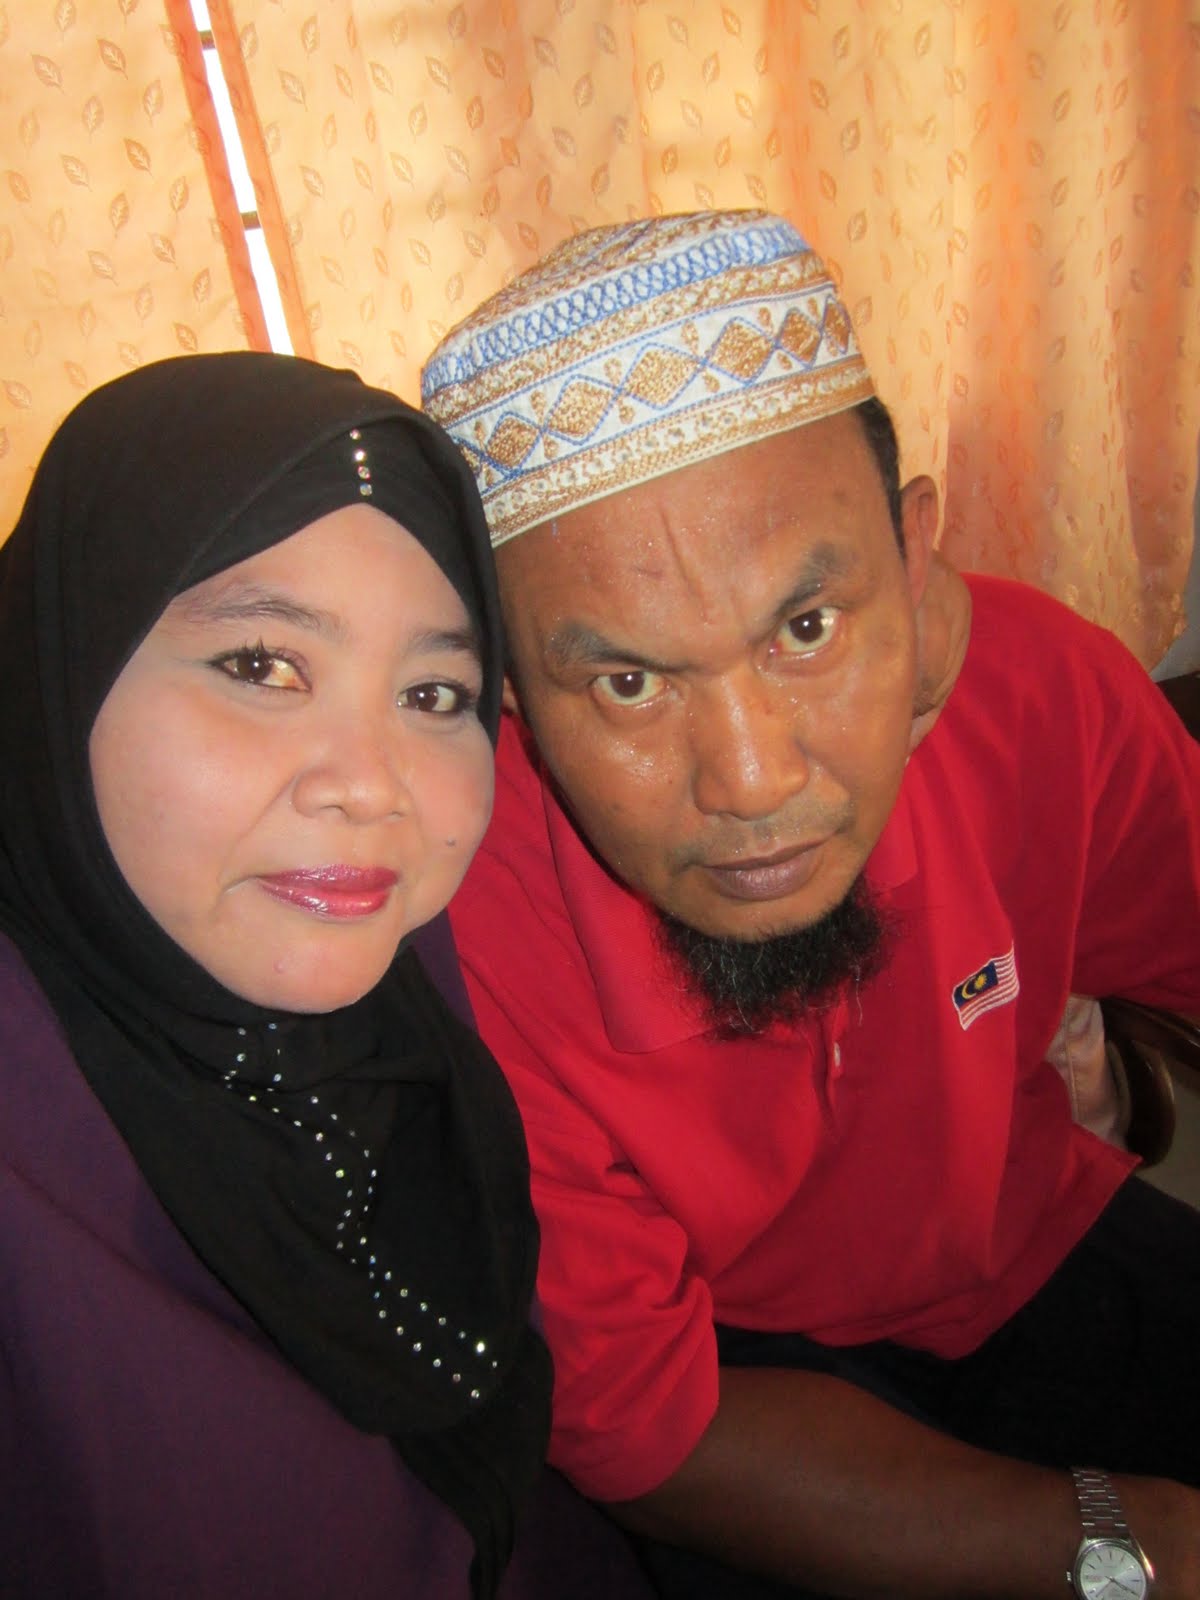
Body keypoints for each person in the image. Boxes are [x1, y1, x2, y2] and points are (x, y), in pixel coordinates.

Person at [421, 211, 1200, 1599]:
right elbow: (654, 1426)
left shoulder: (1039, 690)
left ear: (914, 556)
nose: (753, 780)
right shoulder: (467, 933)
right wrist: (1123, 1543)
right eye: (628, 684)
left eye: (805, 627)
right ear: (515, 694)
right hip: (740, 1375)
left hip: (1030, 1238)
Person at [0, 351, 655, 1600]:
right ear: (56, 669)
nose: (370, 782)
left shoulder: (403, 985)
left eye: (433, 692)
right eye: (262, 666)